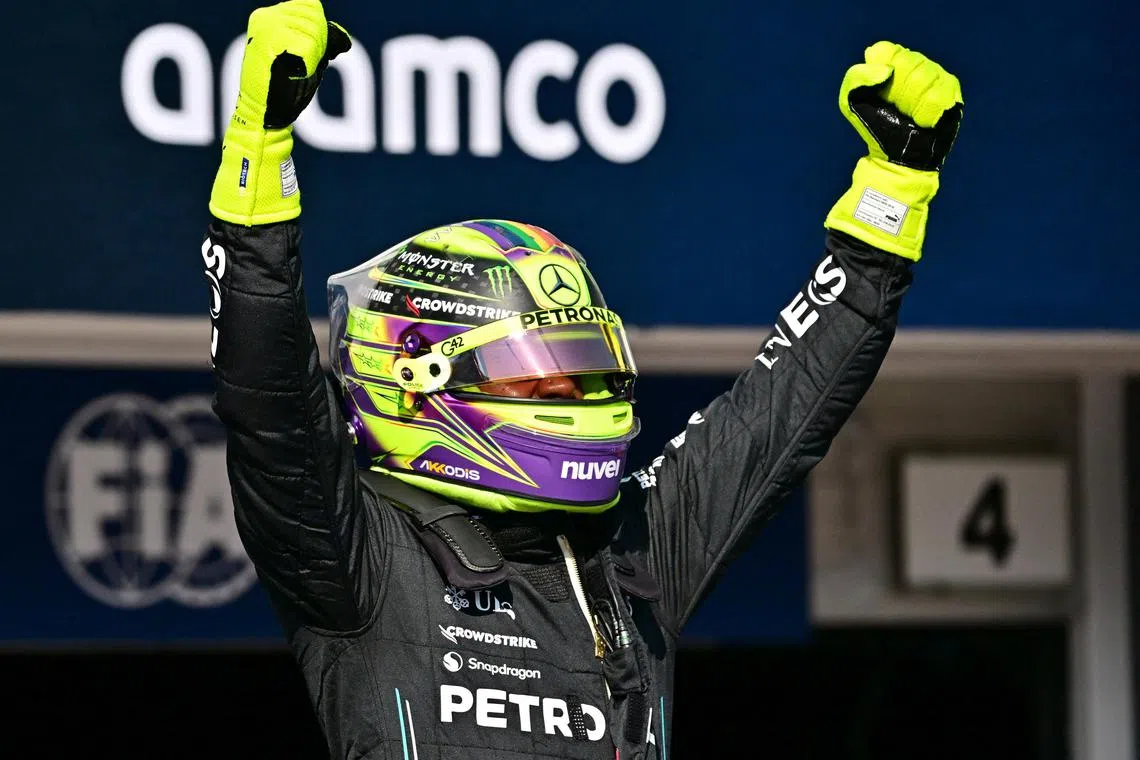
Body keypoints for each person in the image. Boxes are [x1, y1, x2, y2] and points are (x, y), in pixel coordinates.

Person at [202, 1, 963, 757]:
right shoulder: (358, 557)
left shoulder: (631, 553)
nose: (575, 400)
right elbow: (268, 402)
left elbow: (781, 411)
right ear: (415, 378)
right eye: (540, 381)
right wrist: (259, 155)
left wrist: (894, 193)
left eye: (585, 374)